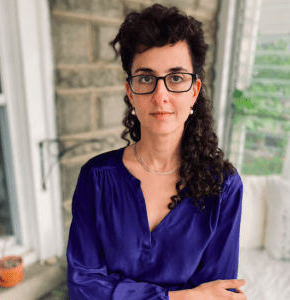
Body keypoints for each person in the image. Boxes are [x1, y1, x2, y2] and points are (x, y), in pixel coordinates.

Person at [67, 4, 247, 300]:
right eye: (146, 78)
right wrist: (182, 297)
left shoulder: (224, 187)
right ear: (130, 92)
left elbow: (218, 295)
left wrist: (116, 291)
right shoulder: (95, 178)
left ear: (194, 90)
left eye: (176, 78)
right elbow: (83, 286)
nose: (160, 95)